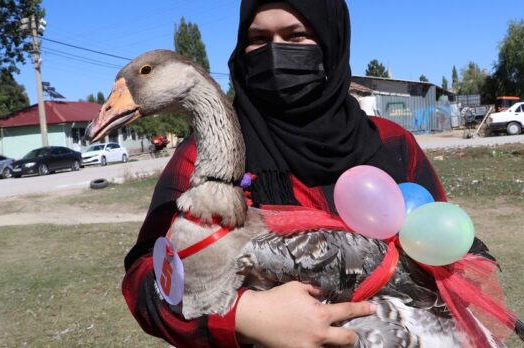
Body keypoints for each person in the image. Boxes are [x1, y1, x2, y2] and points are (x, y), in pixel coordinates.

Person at [121, 1, 498, 347]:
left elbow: (444, 258)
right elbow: (144, 279)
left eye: (295, 36)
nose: (274, 51)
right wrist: (247, 317)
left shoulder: (392, 143)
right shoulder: (205, 155)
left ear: (331, 41)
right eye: (258, 39)